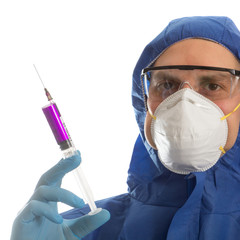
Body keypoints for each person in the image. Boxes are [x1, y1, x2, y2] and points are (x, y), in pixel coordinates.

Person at [11, 16, 240, 240]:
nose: (184, 103)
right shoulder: (79, 229)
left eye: (213, 85)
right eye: (167, 85)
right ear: (143, 102)